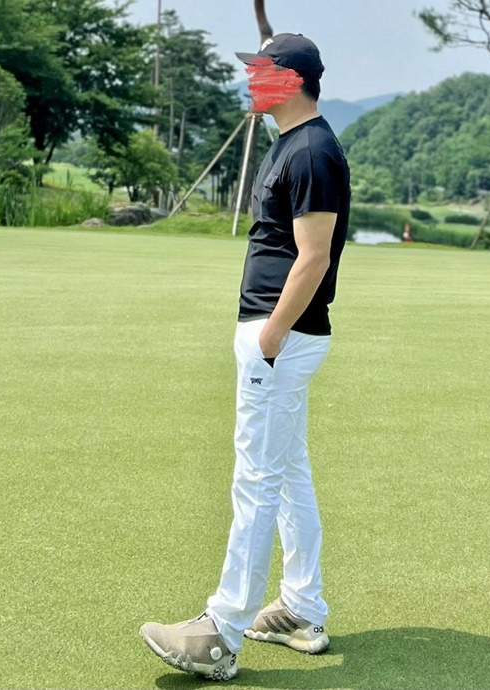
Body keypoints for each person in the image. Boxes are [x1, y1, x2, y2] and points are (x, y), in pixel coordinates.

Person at [139, 33, 351, 681]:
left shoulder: (312, 150)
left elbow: (314, 256)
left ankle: (220, 632)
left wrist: (271, 335)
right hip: (277, 335)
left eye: (261, 70)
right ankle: (301, 609)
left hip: (280, 336)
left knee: (256, 478)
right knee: (286, 474)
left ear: (291, 79)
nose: (251, 80)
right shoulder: (291, 142)